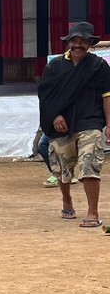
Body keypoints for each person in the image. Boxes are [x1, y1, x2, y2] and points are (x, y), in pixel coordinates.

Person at [38, 21, 110, 228]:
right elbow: (45, 96)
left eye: (83, 41)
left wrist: (109, 124)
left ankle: (93, 212)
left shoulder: (99, 66)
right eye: (74, 40)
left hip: (90, 122)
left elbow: (107, 95)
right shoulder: (54, 66)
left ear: (90, 44)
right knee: (63, 168)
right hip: (62, 125)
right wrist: (55, 116)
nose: (78, 44)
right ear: (68, 42)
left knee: (89, 165)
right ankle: (67, 200)